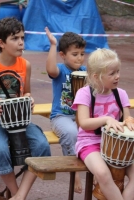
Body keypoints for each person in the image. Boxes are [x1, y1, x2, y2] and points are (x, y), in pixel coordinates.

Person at [0, 17, 51, 200]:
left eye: (22, 37)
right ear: (1, 43)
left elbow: (26, 93)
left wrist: (29, 99)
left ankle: (21, 194)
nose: (21, 42)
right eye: (15, 38)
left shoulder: (25, 65)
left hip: (18, 120)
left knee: (42, 145)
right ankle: (16, 194)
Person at [71, 48, 134, 200]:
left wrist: (129, 123)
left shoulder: (121, 94)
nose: (117, 76)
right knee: (103, 174)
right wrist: (106, 119)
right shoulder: (84, 93)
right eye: (112, 73)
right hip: (89, 143)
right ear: (96, 76)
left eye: (118, 71)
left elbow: (127, 119)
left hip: (116, 145)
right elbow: (84, 123)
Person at [45, 27, 86, 193]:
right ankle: (74, 171)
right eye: (75, 54)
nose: (80, 58)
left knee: (99, 132)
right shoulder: (61, 70)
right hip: (60, 116)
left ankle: (97, 172)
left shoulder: (84, 72)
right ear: (63, 55)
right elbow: (50, 69)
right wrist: (53, 45)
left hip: (80, 116)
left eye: (82, 54)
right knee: (71, 133)